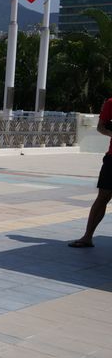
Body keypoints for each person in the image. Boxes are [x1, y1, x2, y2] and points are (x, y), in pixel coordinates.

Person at [68, 97, 112, 248]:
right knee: (103, 196)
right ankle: (87, 237)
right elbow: (100, 127)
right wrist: (111, 133)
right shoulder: (110, 103)